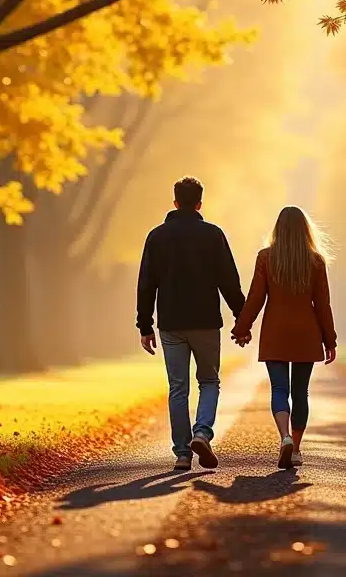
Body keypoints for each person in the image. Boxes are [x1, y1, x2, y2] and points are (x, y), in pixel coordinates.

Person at [137, 176, 245, 472]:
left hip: (171, 323)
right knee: (209, 381)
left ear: (174, 203)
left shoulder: (156, 237)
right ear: (199, 203)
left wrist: (144, 325)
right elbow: (228, 281)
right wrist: (242, 318)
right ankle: (202, 432)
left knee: (178, 388)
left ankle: (183, 453)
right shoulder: (213, 235)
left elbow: (147, 284)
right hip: (206, 322)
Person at [231, 206, 336, 469]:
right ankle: (297, 449)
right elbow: (323, 304)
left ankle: (285, 437)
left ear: (278, 228)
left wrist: (242, 328)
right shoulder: (315, 261)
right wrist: (330, 340)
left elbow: (256, 297)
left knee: (279, 389)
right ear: (305, 230)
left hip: (275, 332)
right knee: (301, 392)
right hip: (306, 333)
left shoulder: (266, 258)